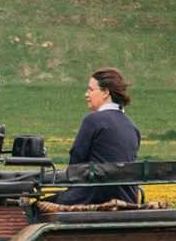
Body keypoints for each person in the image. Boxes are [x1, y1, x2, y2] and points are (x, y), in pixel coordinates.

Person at [55, 67, 141, 205]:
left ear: (105, 92)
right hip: (127, 199)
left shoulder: (93, 120)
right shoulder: (132, 126)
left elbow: (76, 163)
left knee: (35, 207)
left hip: (93, 197)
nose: (86, 94)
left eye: (91, 89)